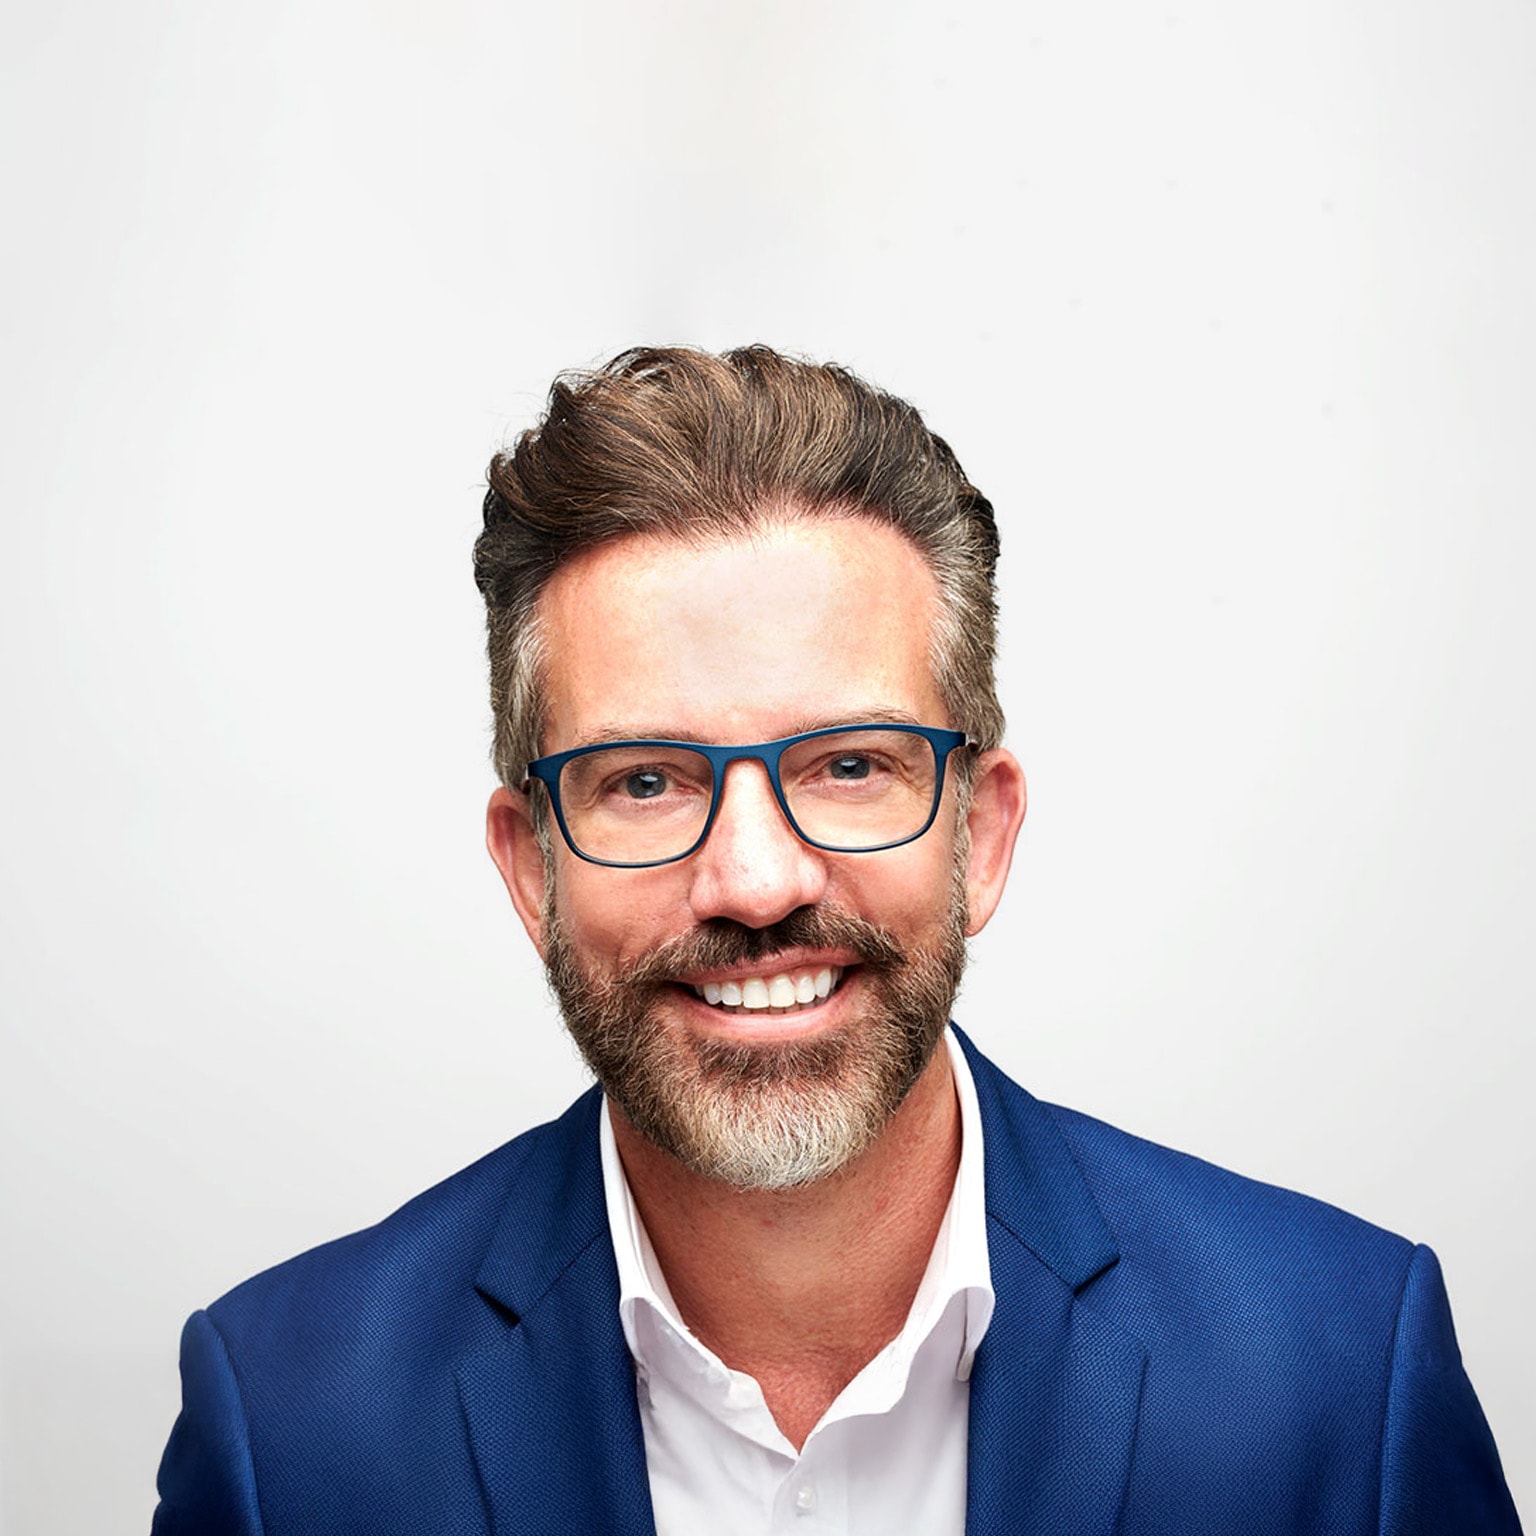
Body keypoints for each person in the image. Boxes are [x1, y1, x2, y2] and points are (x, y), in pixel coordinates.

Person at [152, 345, 1520, 1535]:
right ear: (531, 869)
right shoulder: (290, 1422)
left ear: (980, 835)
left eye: (851, 764)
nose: (754, 881)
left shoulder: (1343, 1371)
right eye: (645, 779)